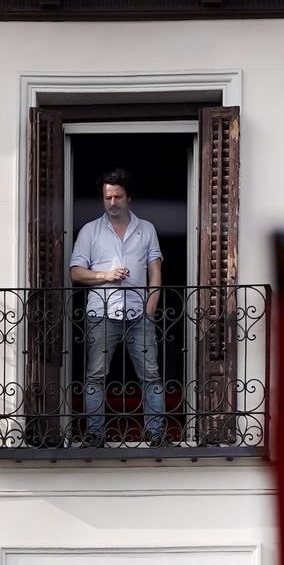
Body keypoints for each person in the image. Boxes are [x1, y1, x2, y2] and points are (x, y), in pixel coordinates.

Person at [68, 169, 166, 445]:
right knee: (96, 375)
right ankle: (96, 435)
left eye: (117, 197)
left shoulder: (146, 229)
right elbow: (75, 272)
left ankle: (156, 434)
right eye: (107, 197)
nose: (112, 203)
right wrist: (105, 276)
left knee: (150, 374)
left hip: (139, 313)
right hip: (102, 314)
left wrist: (151, 308)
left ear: (129, 198)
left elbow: (155, 273)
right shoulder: (90, 230)